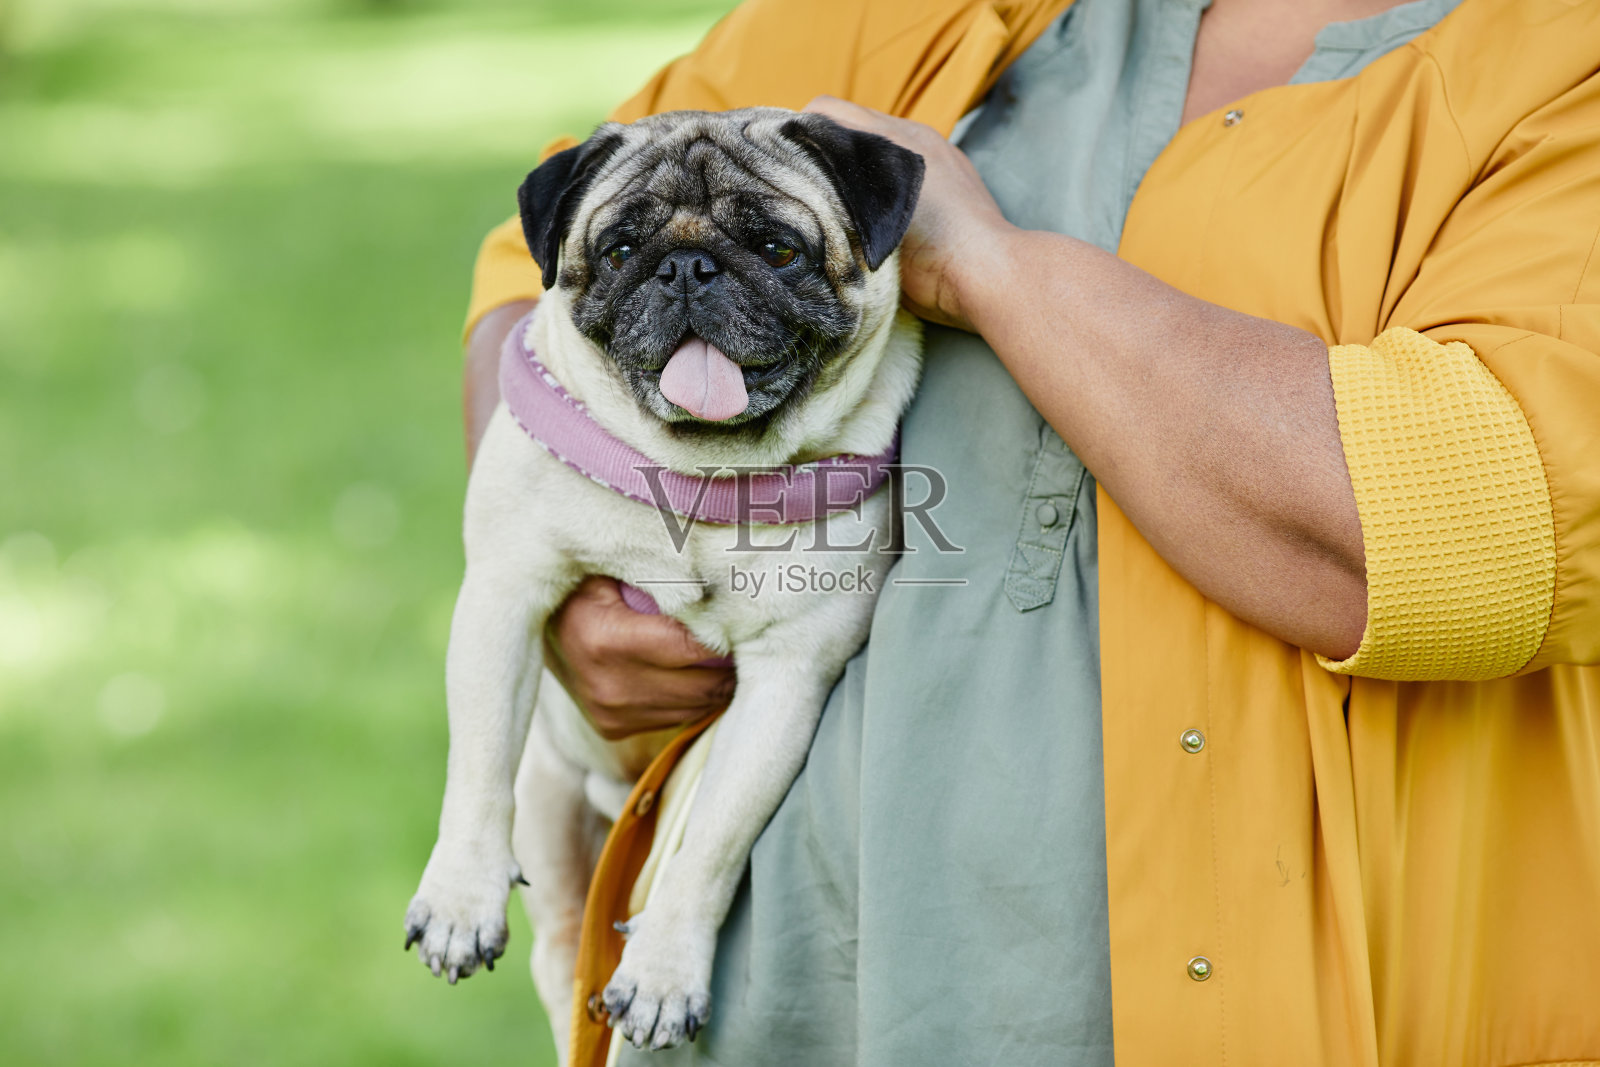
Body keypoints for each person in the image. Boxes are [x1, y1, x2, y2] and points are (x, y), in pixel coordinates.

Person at [459, 0, 1600, 1063]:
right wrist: (583, 587)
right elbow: (539, 277)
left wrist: (989, 268)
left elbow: (1461, 530)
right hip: (794, 987)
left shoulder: (1560, 62)